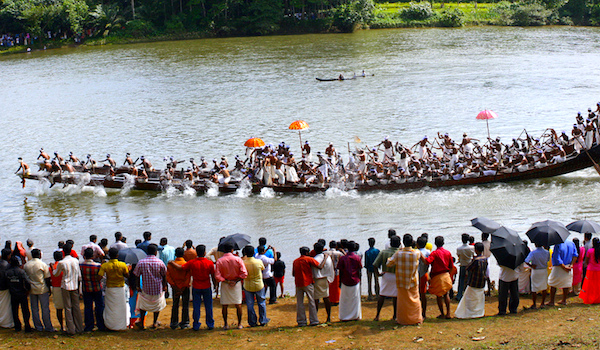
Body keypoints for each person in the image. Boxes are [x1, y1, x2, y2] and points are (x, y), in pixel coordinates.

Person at [386, 234, 423, 325]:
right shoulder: (416, 253)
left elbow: (388, 263)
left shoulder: (398, 254)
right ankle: (416, 319)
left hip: (401, 281)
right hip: (413, 281)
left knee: (402, 302)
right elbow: (420, 254)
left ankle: (402, 320)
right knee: (415, 300)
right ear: (412, 242)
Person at [180, 245, 216, 330]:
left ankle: (196, 324)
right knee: (208, 306)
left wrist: (171, 263)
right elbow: (213, 275)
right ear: (204, 253)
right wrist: (215, 285)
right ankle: (210, 323)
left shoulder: (192, 262)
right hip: (207, 286)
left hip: (196, 286)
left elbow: (182, 268)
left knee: (196, 306)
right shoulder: (209, 262)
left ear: (196, 253)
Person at [133, 244, 167, 330]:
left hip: (145, 288)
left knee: (143, 306)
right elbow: (164, 275)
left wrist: (137, 286)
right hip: (157, 288)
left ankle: (142, 323)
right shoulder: (160, 262)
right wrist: (164, 286)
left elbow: (136, 275)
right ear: (156, 252)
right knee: (157, 306)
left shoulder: (141, 262)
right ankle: (154, 322)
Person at [215, 242, 248, 330]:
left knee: (224, 305)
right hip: (236, 284)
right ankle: (239, 324)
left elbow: (217, 276)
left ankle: (226, 324)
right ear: (232, 250)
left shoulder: (220, 260)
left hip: (225, 284)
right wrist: (236, 280)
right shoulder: (238, 259)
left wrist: (226, 281)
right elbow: (244, 273)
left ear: (224, 250)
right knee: (238, 304)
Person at [53, 243, 83, 335]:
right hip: (75, 286)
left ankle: (71, 329)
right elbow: (79, 275)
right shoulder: (76, 261)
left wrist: (52, 268)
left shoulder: (62, 262)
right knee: (76, 307)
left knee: (68, 308)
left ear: (63, 252)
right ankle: (79, 328)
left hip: (65, 286)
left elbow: (56, 274)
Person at [98, 247, 130, 331]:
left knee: (110, 308)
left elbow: (99, 277)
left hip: (110, 288)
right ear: (117, 255)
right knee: (121, 307)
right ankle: (121, 325)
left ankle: (110, 325)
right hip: (120, 288)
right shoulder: (122, 265)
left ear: (108, 255)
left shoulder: (105, 265)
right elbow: (127, 276)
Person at [422, 236, 453, 319]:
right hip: (446, 275)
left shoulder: (434, 253)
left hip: (437, 276)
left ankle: (442, 314)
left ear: (435, 243)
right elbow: (451, 266)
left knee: (439, 295)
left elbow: (427, 261)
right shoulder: (448, 252)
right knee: (446, 294)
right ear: (443, 243)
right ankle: (448, 313)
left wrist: (421, 255)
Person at [23, 249, 54, 332]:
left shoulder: (26, 265)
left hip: (32, 289)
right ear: (40, 255)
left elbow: (25, 278)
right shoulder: (43, 264)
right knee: (45, 308)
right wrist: (49, 289)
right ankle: (48, 327)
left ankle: (38, 327)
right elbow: (47, 278)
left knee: (34, 309)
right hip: (42, 289)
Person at [455, 243, 488, 319]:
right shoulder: (485, 259)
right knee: (479, 298)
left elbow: (468, 268)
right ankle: (478, 312)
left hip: (474, 281)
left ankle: (470, 313)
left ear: (476, 250)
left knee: (469, 298)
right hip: (482, 282)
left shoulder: (476, 260)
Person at [372, 235, 400, 321]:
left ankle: (377, 315)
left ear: (390, 244)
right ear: (399, 244)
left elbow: (375, 264)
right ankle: (395, 315)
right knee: (395, 296)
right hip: (396, 276)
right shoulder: (400, 253)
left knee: (382, 295)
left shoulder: (383, 252)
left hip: (386, 275)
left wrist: (378, 274)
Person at [292, 246, 322, 326]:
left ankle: (301, 321)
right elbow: (319, 266)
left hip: (298, 283)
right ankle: (314, 320)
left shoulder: (295, 261)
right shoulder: (309, 259)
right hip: (308, 282)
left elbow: (293, 274)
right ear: (306, 253)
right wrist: (325, 258)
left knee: (300, 303)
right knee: (311, 301)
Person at [242, 245, 269, 327]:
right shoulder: (258, 261)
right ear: (254, 252)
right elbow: (263, 268)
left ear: (245, 253)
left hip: (248, 285)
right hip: (259, 285)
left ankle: (252, 321)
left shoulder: (243, 263)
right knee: (261, 302)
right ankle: (263, 320)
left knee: (250, 304)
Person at [4, 256, 32, 332]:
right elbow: (27, 282)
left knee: (15, 311)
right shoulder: (21, 272)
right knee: (25, 311)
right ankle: (27, 326)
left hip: (13, 294)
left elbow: (6, 283)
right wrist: (28, 290)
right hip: (22, 293)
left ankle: (17, 326)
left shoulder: (7, 273)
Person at [80, 248, 105, 331]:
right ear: (93, 256)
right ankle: (100, 324)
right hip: (97, 288)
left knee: (88, 307)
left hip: (86, 288)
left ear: (84, 256)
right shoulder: (97, 266)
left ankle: (89, 325)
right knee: (99, 306)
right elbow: (100, 277)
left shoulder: (80, 266)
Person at [166, 247, 190, 329]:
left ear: (175, 254)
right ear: (183, 254)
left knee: (175, 304)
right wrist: (183, 287)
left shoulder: (170, 265)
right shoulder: (186, 264)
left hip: (175, 287)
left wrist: (174, 286)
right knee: (185, 304)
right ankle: (185, 322)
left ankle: (174, 323)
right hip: (184, 287)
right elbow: (188, 277)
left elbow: (168, 277)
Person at [548, 240, 578, 306]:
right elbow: (575, 255)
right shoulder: (571, 243)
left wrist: (564, 267)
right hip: (568, 265)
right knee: (566, 284)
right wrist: (571, 264)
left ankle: (552, 301)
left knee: (553, 284)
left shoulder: (558, 244)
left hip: (559, 267)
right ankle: (564, 300)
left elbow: (557, 257)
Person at [337, 241, 362, 321]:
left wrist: (340, 281)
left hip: (345, 281)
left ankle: (344, 316)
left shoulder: (343, 258)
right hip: (355, 280)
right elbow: (359, 270)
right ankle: (355, 316)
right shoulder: (357, 257)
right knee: (355, 299)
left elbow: (340, 271)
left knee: (344, 300)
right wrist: (360, 280)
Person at [312, 242, 334, 323]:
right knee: (326, 297)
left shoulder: (315, 259)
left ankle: (315, 318)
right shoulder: (327, 258)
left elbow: (313, 271)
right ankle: (328, 317)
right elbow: (331, 269)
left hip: (317, 279)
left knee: (316, 299)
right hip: (325, 279)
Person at [524, 241, 550, 309]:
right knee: (544, 287)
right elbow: (548, 260)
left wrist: (531, 265)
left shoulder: (533, 252)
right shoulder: (547, 252)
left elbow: (526, 261)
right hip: (543, 270)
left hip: (536, 270)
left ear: (535, 244)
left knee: (534, 288)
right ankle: (542, 303)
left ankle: (534, 304)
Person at [580, 238, 600, 304]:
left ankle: (590, 298)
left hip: (591, 270)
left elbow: (586, 261)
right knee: (598, 285)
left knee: (590, 285)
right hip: (598, 270)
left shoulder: (590, 251)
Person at [456, 233, 474, 301]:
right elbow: (473, 255)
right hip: (469, 265)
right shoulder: (472, 248)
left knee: (461, 280)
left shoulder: (459, 248)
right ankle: (469, 295)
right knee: (469, 280)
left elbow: (458, 255)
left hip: (462, 265)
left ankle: (459, 295)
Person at [48, 251, 64, 332]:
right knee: (68, 307)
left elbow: (49, 279)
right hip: (65, 287)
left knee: (59, 309)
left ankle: (61, 326)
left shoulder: (51, 267)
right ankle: (69, 325)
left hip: (56, 288)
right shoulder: (64, 266)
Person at [416, 236, 430, 319]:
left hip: (416, 274)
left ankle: (417, 312)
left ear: (417, 244)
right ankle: (424, 313)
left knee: (416, 293)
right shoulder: (428, 252)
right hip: (424, 273)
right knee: (423, 293)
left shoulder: (415, 252)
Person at [0, 249, 14, 329]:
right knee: (6, 306)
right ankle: (6, 323)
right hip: (5, 288)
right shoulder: (7, 265)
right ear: (8, 256)